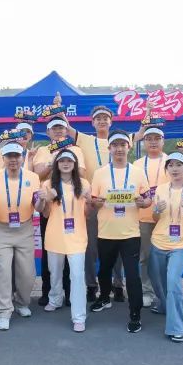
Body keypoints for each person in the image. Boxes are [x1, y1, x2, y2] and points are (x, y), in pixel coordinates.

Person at [88, 132, 150, 332]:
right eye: (115, 145)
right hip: (106, 232)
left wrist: (143, 202)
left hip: (130, 233)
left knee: (132, 275)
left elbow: (147, 198)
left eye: (123, 144)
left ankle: (135, 314)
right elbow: (93, 200)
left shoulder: (138, 172)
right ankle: (105, 297)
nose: (119, 148)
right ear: (109, 149)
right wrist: (97, 202)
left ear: (129, 147)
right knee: (104, 269)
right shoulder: (100, 173)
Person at [0, 142, 42, 330]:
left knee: (27, 273)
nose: (13, 160)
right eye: (9, 156)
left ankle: (22, 303)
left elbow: (38, 207)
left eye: (16, 156)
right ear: (3, 159)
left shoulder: (33, 177)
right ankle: (4, 311)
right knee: (4, 271)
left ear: (22, 158)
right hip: (2, 229)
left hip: (25, 228)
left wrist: (42, 200)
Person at [32, 117, 90, 304]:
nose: (58, 131)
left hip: (73, 206)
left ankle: (70, 293)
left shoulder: (76, 149)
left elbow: (81, 174)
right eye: (54, 128)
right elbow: (38, 175)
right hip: (52, 203)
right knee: (51, 251)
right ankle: (49, 292)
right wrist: (53, 161)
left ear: (67, 131)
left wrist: (64, 159)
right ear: (47, 132)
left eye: (61, 128)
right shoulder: (43, 150)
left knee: (72, 252)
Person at [147, 152, 183, 342]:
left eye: (179, 165)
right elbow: (155, 218)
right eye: (171, 165)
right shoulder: (161, 189)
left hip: (180, 244)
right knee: (158, 280)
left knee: (173, 281)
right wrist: (156, 210)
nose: (175, 169)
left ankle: (177, 327)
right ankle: (164, 305)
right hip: (158, 241)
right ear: (166, 169)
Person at [38, 150, 90, 332]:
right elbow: (44, 213)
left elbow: (88, 213)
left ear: (75, 164)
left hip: (77, 238)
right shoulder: (47, 184)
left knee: (77, 276)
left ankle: (79, 317)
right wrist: (45, 200)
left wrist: (89, 201)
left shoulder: (84, 184)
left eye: (69, 161)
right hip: (55, 236)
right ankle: (55, 299)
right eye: (62, 161)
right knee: (55, 272)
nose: (66, 164)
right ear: (57, 165)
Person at [66, 106, 114, 302]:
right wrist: (59, 110)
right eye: (98, 118)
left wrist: (148, 112)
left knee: (115, 246)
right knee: (91, 247)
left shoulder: (119, 139)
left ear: (111, 121)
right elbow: (67, 129)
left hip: (115, 201)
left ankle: (117, 285)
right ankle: (91, 285)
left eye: (105, 118)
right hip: (92, 201)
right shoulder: (85, 139)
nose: (102, 121)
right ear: (92, 122)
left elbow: (142, 133)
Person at [131, 125, 167, 308]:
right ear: (144, 142)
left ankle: (166, 293)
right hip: (143, 218)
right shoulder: (136, 165)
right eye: (149, 139)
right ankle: (146, 291)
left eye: (157, 138)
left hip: (167, 219)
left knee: (166, 258)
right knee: (145, 257)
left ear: (163, 141)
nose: (153, 142)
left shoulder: (171, 162)